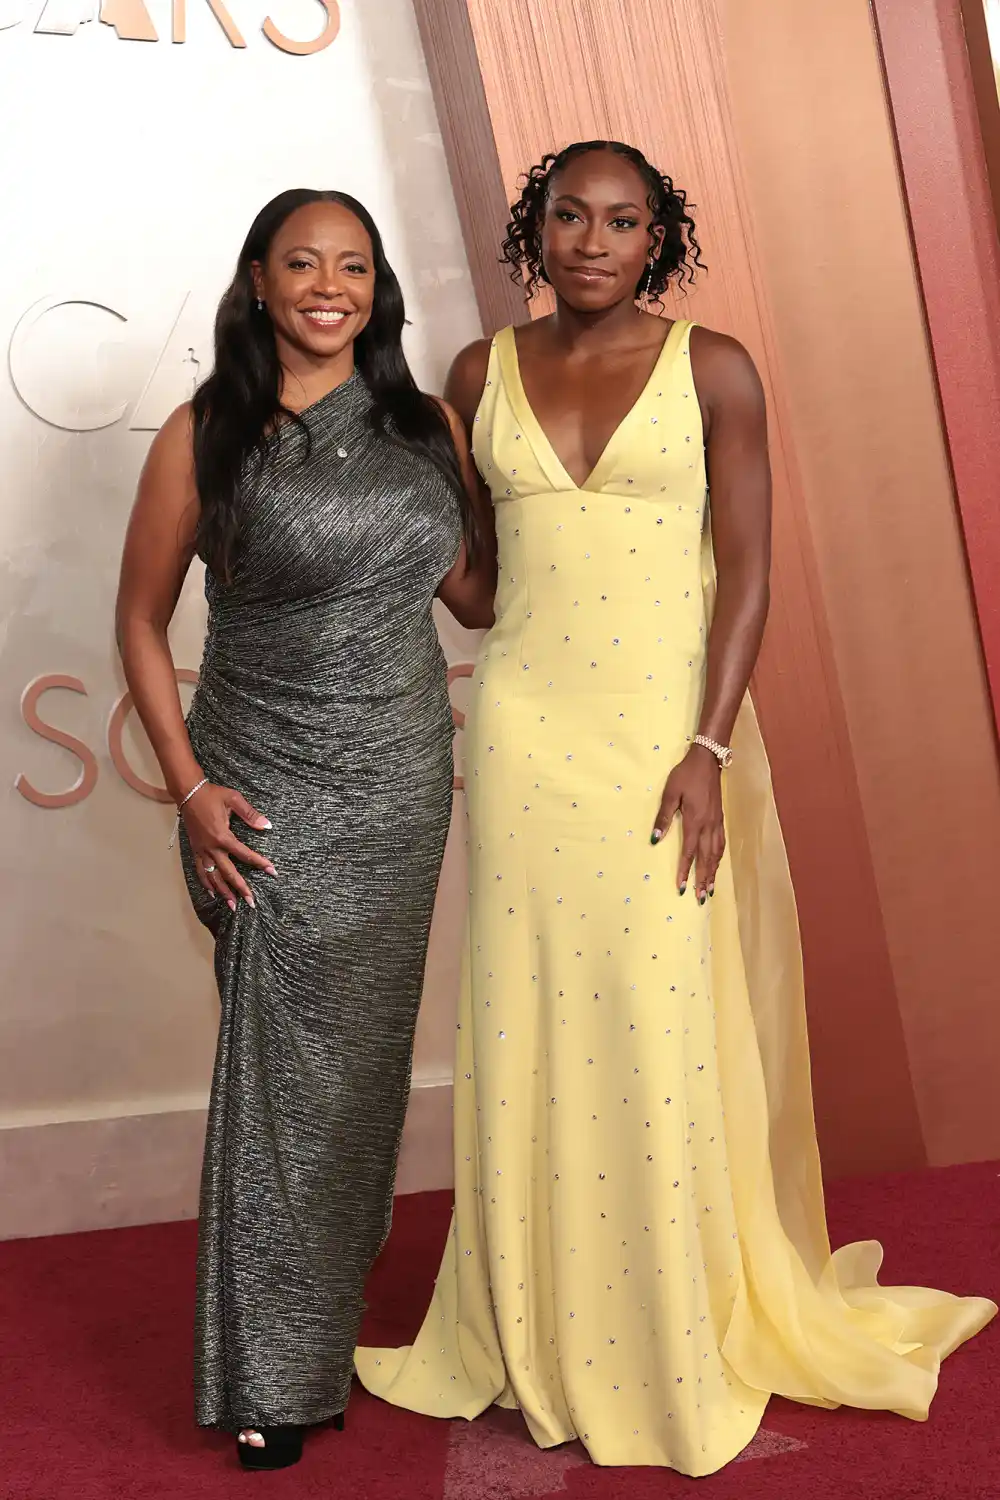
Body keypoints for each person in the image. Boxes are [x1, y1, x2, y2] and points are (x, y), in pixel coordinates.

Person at [355, 140, 997, 1475]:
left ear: (660, 239)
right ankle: (537, 1319)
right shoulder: (480, 374)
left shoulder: (715, 368)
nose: (595, 240)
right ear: (535, 231)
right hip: (530, 737)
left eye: (625, 220)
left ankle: (666, 1320)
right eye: (571, 217)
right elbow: (477, 591)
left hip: (664, 737)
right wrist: (398, 511)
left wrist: (708, 741)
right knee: (535, 1012)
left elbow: (749, 571)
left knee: (657, 1017)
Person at [115, 188, 495, 1470]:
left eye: (353, 264)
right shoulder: (205, 431)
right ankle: (268, 1376)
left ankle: (316, 1336)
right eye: (302, 263)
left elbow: (478, 596)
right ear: (260, 282)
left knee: (360, 1077)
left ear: (377, 286)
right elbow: (138, 624)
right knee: (278, 1078)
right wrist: (188, 787)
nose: (328, 283)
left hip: (394, 787)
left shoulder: (424, 426)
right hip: (256, 792)